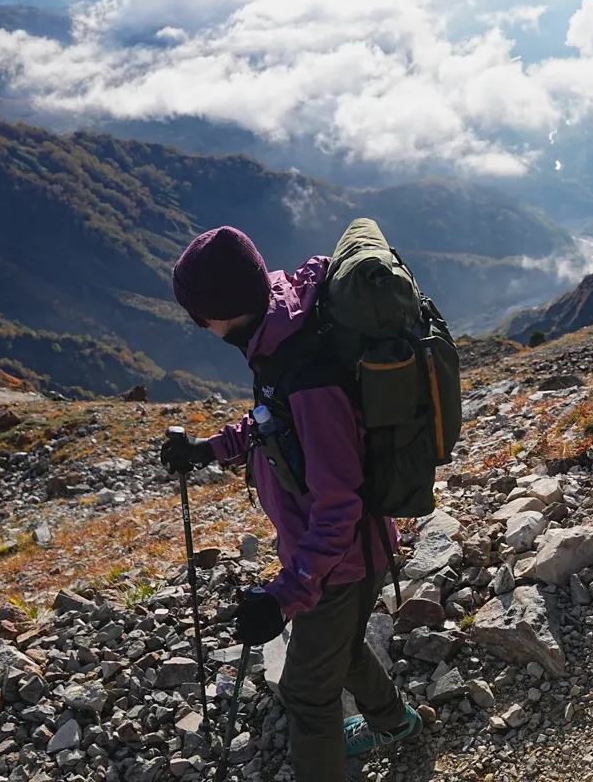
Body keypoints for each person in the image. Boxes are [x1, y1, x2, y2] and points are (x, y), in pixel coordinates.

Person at [159, 225, 424, 779]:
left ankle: (374, 732)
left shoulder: (304, 373)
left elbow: (338, 500)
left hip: (338, 560)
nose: (198, 326)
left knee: (306, 691)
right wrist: (210, 450)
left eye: (198, 313)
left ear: (223, 309)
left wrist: (287, 593)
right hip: (348, 553)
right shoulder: (278, 330)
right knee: (344, 649)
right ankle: (394, 722)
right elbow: (269, 422)